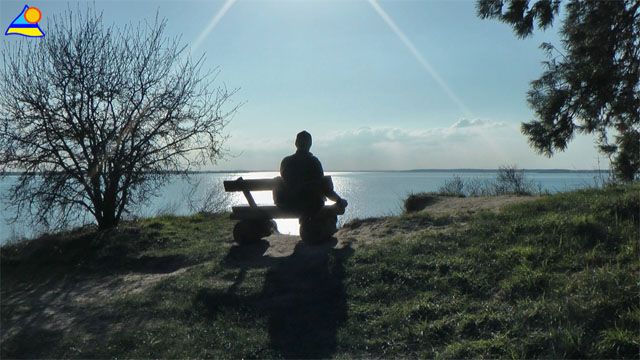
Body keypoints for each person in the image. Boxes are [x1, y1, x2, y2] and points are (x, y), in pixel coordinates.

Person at [274, 131, 347, 218]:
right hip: (312, 206)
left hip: (288, 205)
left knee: (277, 180)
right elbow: (325, 188)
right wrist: (339, 200)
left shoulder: (286, 161)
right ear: (310, 144)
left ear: (296, 143)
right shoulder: (314, 162)